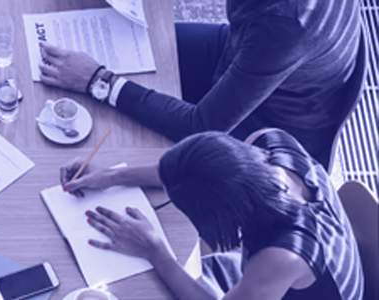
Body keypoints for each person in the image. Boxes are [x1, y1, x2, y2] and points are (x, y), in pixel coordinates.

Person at [37, 0, 361, 165]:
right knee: (115, 35)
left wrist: (98, 80)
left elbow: (201, 125)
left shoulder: (287, 23)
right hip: (241, 52)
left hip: (267, 125)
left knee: (118, 137)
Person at [59, 130, 363, 299]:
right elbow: (193, 174)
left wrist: (156, 252)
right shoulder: (268, 142)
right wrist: (112, 177)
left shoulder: (280, 257)